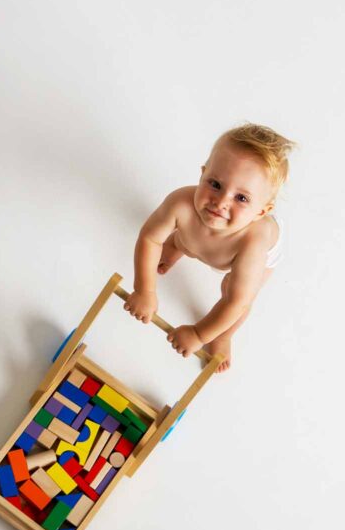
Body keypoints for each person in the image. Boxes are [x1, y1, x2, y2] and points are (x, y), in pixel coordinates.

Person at [123, 123, 295, 372]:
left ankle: (224, 337)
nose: (221, 202)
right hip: (203, 239)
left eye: (242, 198)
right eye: (215, 184)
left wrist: (199, 334)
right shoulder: (181, 202)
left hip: (260, 253)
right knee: (188, 236)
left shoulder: (253, 246)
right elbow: (150, 238)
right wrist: (144, 291)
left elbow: (236, 302)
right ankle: (178, 246)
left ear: (262, 211)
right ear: (203, 174)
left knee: (236, 295)